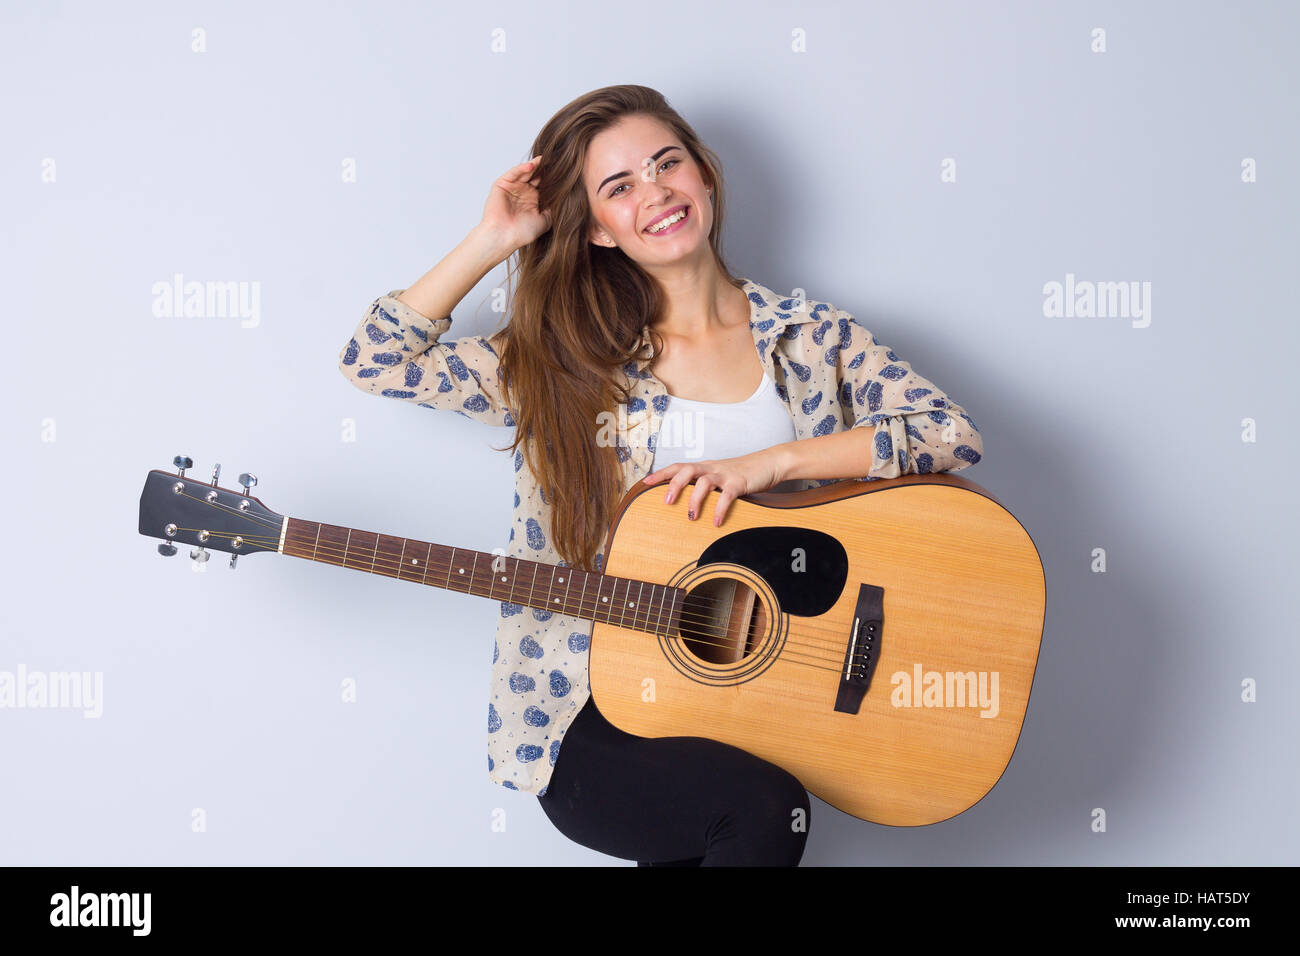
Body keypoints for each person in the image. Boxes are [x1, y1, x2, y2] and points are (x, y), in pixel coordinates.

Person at [338, 84, 984, 866]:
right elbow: (375, 361)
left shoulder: (810, 339)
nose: (656, 193)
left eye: (665, 164)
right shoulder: (562, 361)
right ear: (600, 231)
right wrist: (494, 237)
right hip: (588, 711)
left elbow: (947, 433)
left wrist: (767, 465)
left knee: (747, 809)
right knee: (762, 812)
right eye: (619, 188)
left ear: (703, 176)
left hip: (748, 700)